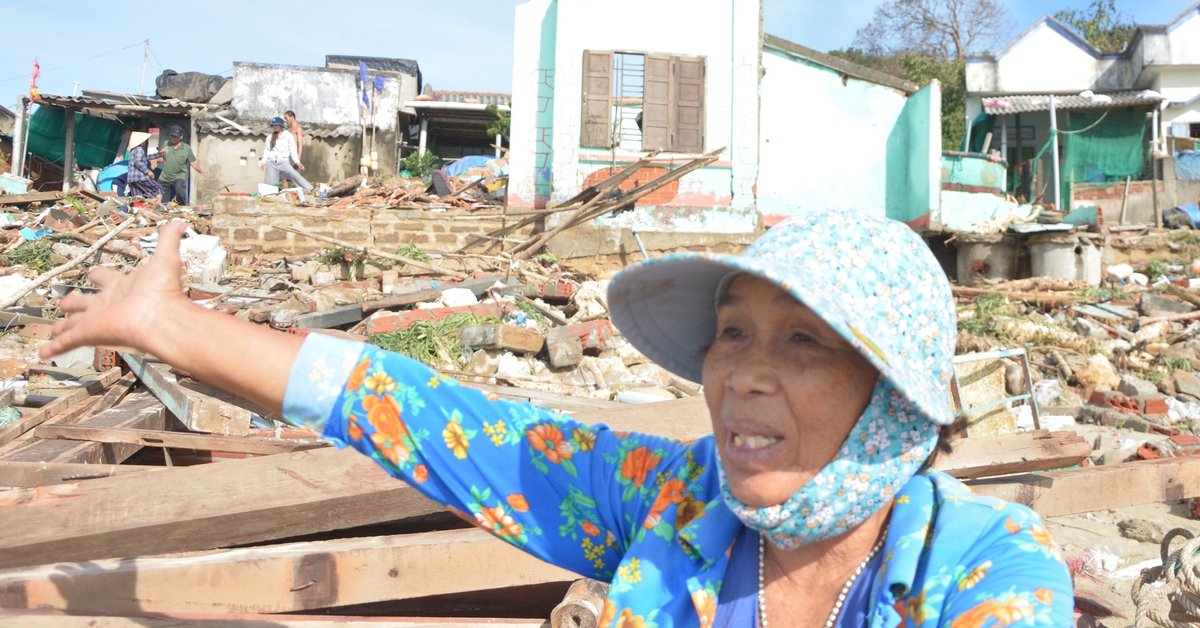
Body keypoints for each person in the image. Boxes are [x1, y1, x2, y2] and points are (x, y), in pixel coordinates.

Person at [40, 209, 1072, 628]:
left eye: (804, 342)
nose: (744, 377)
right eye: (732, 333)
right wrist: (169, 326)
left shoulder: (986, 574)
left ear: (896, 400)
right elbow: (433, 420)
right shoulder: (670, 507)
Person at [158, 125, 206, 205]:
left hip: (179, 175)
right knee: (161, 195)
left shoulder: (186, 148)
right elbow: (163, 158)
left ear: (181, 136)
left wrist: (201, 171)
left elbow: (192, 162)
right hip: (165, 176)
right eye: (172, 136)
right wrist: (155, 160)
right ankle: (164, 210)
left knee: (179, 190)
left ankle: (183, 206)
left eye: (175, 137)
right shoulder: (166, 144)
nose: (173, 138)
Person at [261, 116, 312, 191]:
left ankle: (309, 189)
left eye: (276, 125)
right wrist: (263, 162)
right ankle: (271, 198)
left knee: (294, 175)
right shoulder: (270, 137)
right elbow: (267, 150)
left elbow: (293, 149)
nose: (275, 127)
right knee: (270, 185)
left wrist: (297, 161)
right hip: (271, 162)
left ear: (281, 126)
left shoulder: (288, 136)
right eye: (273, 125)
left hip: (283, 161)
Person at [122, 131, 162, 204]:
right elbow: (138, 161)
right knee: (157, 188)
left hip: (131, 178)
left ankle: (138, 210)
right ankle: (158, 204)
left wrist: (159, 154)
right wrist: (148, 171)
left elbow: (145, 158)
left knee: (138, 197)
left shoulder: (133, 150)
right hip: (140, 177)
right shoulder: (139, 149)